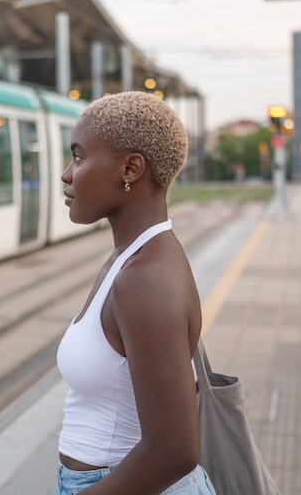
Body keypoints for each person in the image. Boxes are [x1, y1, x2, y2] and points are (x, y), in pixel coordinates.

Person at [55, 92, 215, 495]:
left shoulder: (143, 279)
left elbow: (175, 449)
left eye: (78, 156)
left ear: (130, 168)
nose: (66, 174)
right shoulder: (131, 258)